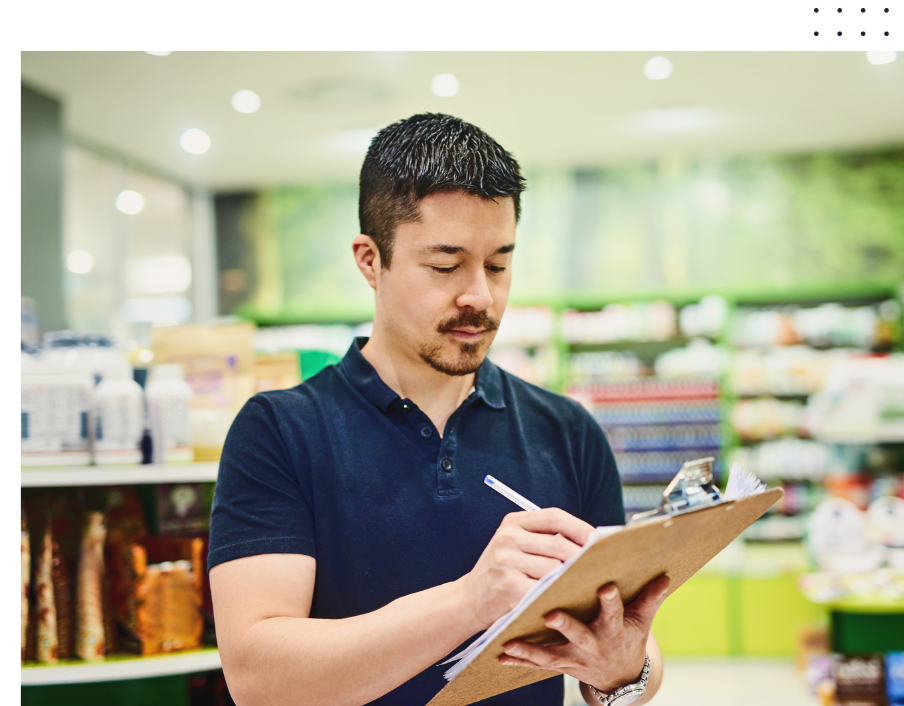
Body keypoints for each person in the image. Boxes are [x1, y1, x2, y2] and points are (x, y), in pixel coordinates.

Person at [208, 113, 669, 706]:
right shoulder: (279, 431)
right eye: (446, 266)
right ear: (371, 261)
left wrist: (623, 670)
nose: (480, 294)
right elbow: (259, 680)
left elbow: (635, 656)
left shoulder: (568, 432)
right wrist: (471, 601)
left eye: (499, 264)